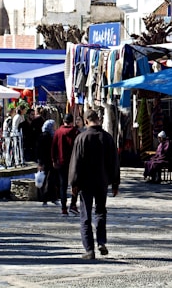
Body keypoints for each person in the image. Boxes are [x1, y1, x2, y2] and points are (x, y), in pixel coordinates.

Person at [68, 109, 120, 260]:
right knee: (100, 211)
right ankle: (101, 241)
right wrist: (115, 182)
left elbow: (76, 162)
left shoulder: (81, 137)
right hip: (102, 181)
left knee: (85, 215)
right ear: (99, 119)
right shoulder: (108, 138)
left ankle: (89, 249)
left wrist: (74, 182)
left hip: (85, 182)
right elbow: (114, 162)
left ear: (85, 121)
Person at [52, 113, 80, 216]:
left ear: (63, 121)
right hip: (74, 163)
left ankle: (64, 208)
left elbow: (53, 147)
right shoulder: (76, 132)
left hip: (61, 163)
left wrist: (54, 160)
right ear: (72, 122)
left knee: (63, 186)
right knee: (75, 184)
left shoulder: (58, 132)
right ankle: (73, 204)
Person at [36, 119, 59, 206]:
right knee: (48, 180)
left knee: (51, 180)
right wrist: (40, 162)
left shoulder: (48, 135)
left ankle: (53, 198)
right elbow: (40, 150)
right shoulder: (46, 137)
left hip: (49, 161)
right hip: (47, 161)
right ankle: (45, 198)